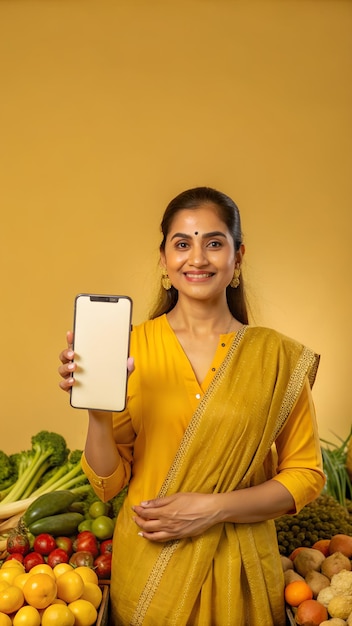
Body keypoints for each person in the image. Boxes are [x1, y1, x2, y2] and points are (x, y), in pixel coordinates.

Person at [59, 186, 325, 626]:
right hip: (150, 571)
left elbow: (305, 475)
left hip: (241, 576)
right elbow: (108, 485)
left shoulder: (276, 358)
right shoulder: (132, 348)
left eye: (214, 243)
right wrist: (97, 412)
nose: (197, 258)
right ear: (164, 260)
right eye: (182, 244)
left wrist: (213, 508)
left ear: (238, 259)